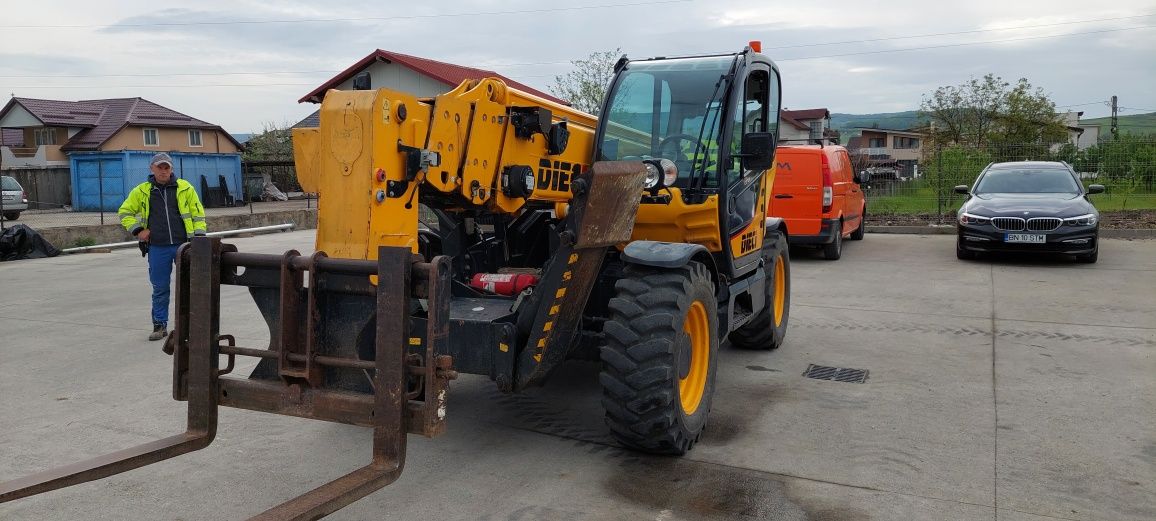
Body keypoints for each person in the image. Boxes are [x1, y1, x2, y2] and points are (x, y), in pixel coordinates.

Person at [118, 153, 207, 341]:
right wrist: (138, 230)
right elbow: (124, 212)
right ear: (152, 169)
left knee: (191, 286)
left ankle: (193, 326)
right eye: (160, 167)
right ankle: (160, 325)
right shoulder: (142, 191)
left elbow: (198, 214)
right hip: (158, 247)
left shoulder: (185, 188)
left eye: (167, 167)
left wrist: (198, 239)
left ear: (171, 169)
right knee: (160, 288)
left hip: (185, 246)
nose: (164, 171)